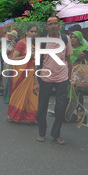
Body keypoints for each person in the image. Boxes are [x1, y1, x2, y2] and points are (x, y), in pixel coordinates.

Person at [33, 16, 73, 144]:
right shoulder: (42, 41)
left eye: (56, 23)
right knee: (42, 107)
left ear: (59, 25)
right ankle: (42, 132)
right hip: (45, 77)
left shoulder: (66, 39)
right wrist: (35, 82)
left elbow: (69, 59)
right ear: (46, 27)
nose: (53, 26)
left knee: (61, 107)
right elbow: (36, 63)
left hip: (62, 77)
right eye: (50, 24)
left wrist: (70, 77)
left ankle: (56, 134)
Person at [7, 24, 40, 123]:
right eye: (31, 31)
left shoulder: (34, 45)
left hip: (32, 73)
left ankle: (31, 117)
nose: (33, 33)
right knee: (19, 94)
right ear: (27, 32)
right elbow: (13, 58)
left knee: (32, 95)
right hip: (21, 73)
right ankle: (13, 115)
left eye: (35, 31)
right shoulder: (22, 43)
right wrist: (29, 56)